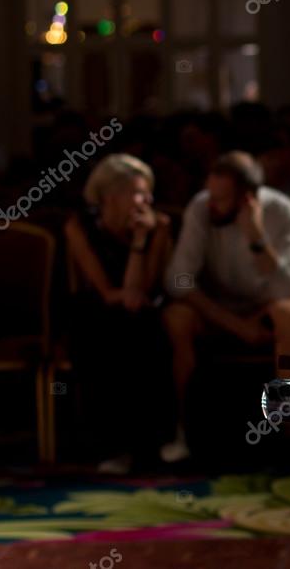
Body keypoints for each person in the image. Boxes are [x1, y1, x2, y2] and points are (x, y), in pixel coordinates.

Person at [161, 151, 290, 462]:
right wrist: (235, 325)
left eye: (223, 198)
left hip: (266, 307)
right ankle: (184, 431)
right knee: (177, 317)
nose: (213, 204)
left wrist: (256, 238)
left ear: (247, 200)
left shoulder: (284, 213)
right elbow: (179, 281)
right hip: (216, 310)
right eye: (211, 194)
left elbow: (287, 287)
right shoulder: (201, 207)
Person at [64, 154, 174, 473]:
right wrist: (127, 295)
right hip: (98, 306)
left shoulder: (159, 226)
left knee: (143, 327)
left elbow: (142, 289)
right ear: (111, 196)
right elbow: (106, 291)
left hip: (142, 308)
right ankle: (110, 447)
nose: (148, 200)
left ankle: (149, 445)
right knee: (105, 329)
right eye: (140, 193)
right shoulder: (80, 227)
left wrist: (140, 242)